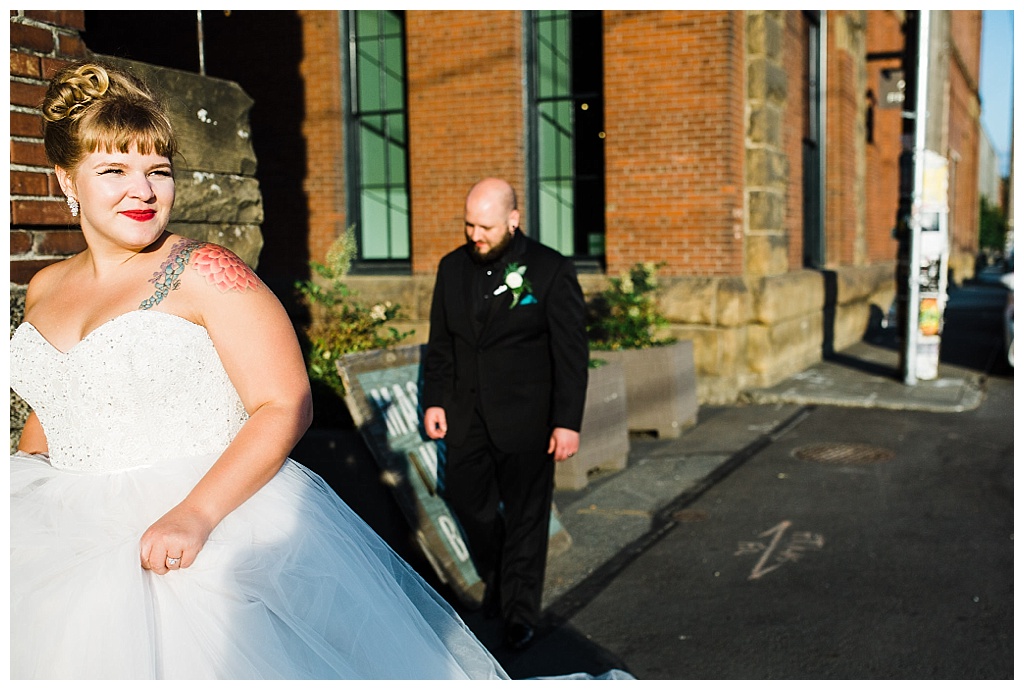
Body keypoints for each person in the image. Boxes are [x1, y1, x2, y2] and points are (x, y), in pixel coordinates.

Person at [9, 60, 510, 680]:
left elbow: (284, 402)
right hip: (67, 530)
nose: (142, 191)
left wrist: (195, 514)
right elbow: (54, 408)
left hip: (202, 522)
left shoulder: (206, 271)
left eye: (158, 171)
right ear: (66, 180)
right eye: (114, 170)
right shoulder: (45, 286)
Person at [422, 178, 590, 651]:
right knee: (467, 500)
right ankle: (499, 577)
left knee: (526, 519)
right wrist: (435, 398)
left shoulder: (551, 270)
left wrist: (567, 421)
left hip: (529, 419)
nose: (475, 235)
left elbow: (571, 353)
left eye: (486, 227)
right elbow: (442, 343)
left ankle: (518, 612)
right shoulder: (451, 268)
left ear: (513, 220)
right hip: (466, 414)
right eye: (469, 224)